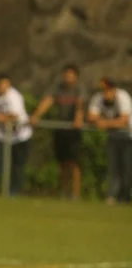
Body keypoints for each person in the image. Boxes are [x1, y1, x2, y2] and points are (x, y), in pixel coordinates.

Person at [30, 64, 85, 200]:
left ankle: (75, 195)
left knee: (74, 163)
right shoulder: (57, 88)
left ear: (76, 77)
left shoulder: (79, 89)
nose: (68, 78)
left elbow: (80, 105)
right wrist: (36, 116)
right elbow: (47, 101)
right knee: (62, 163)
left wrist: (78, 118)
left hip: (73, 130)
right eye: (66, 75)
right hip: (61, 128)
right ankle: (64, 192)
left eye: (71, 75)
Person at [88, 79, 132, 205]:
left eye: (107, 90)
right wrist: (107, 123)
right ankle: (112, 195)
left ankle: (125, 197)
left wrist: (104, 123)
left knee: (127, 168)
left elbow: (123, 121)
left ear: (113, 89)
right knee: (113, 167)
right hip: (113, 136)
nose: (105, 93)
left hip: (128, 136)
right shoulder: (98, 98)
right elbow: (91, 116)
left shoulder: (123, 97)